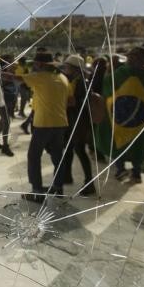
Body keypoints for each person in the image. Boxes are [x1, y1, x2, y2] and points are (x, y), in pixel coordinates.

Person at [7, 52, 69, 201]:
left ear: (41, 65)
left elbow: (14, 78)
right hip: (60, 123)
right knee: (57, 157)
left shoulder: (41, 77)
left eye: (35, 63)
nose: (33, 66)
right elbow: (71, 100)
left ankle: (37, 192)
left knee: (34, 156)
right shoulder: (62, 78)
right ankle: (58, 188)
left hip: (43, 124)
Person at [95, 46, 144, 183]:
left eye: (132, 56)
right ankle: (134, 173)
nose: (131, 59)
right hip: (140, 120)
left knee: (119, 142)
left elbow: (108, 88)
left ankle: (122, 170)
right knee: (138, 144)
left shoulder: (121, 74)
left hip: (121, 118)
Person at [60, 55, 96, 196]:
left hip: (80, 122)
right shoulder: (75, 80)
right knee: (69, 148)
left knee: (80, 150)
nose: (65, 68)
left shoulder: (82, 82)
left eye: (67, 66)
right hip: (73, 120)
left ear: (74, 68)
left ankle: (89, 183)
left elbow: (82, 103)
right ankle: (67, 176)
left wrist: (71, 102)